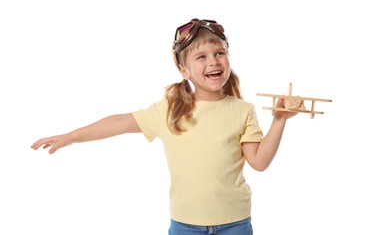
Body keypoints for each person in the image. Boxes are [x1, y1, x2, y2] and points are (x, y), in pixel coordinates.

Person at [31, 18, 296, 235]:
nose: (213, 61)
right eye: (201, 57)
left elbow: (259, 162)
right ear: (184, 70)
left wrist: (279, 120)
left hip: (235, 223)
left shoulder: (242, 110)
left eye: (219, 53)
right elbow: (121, 122)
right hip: (185, 225)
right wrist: (70, 137)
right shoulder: (171, 109)